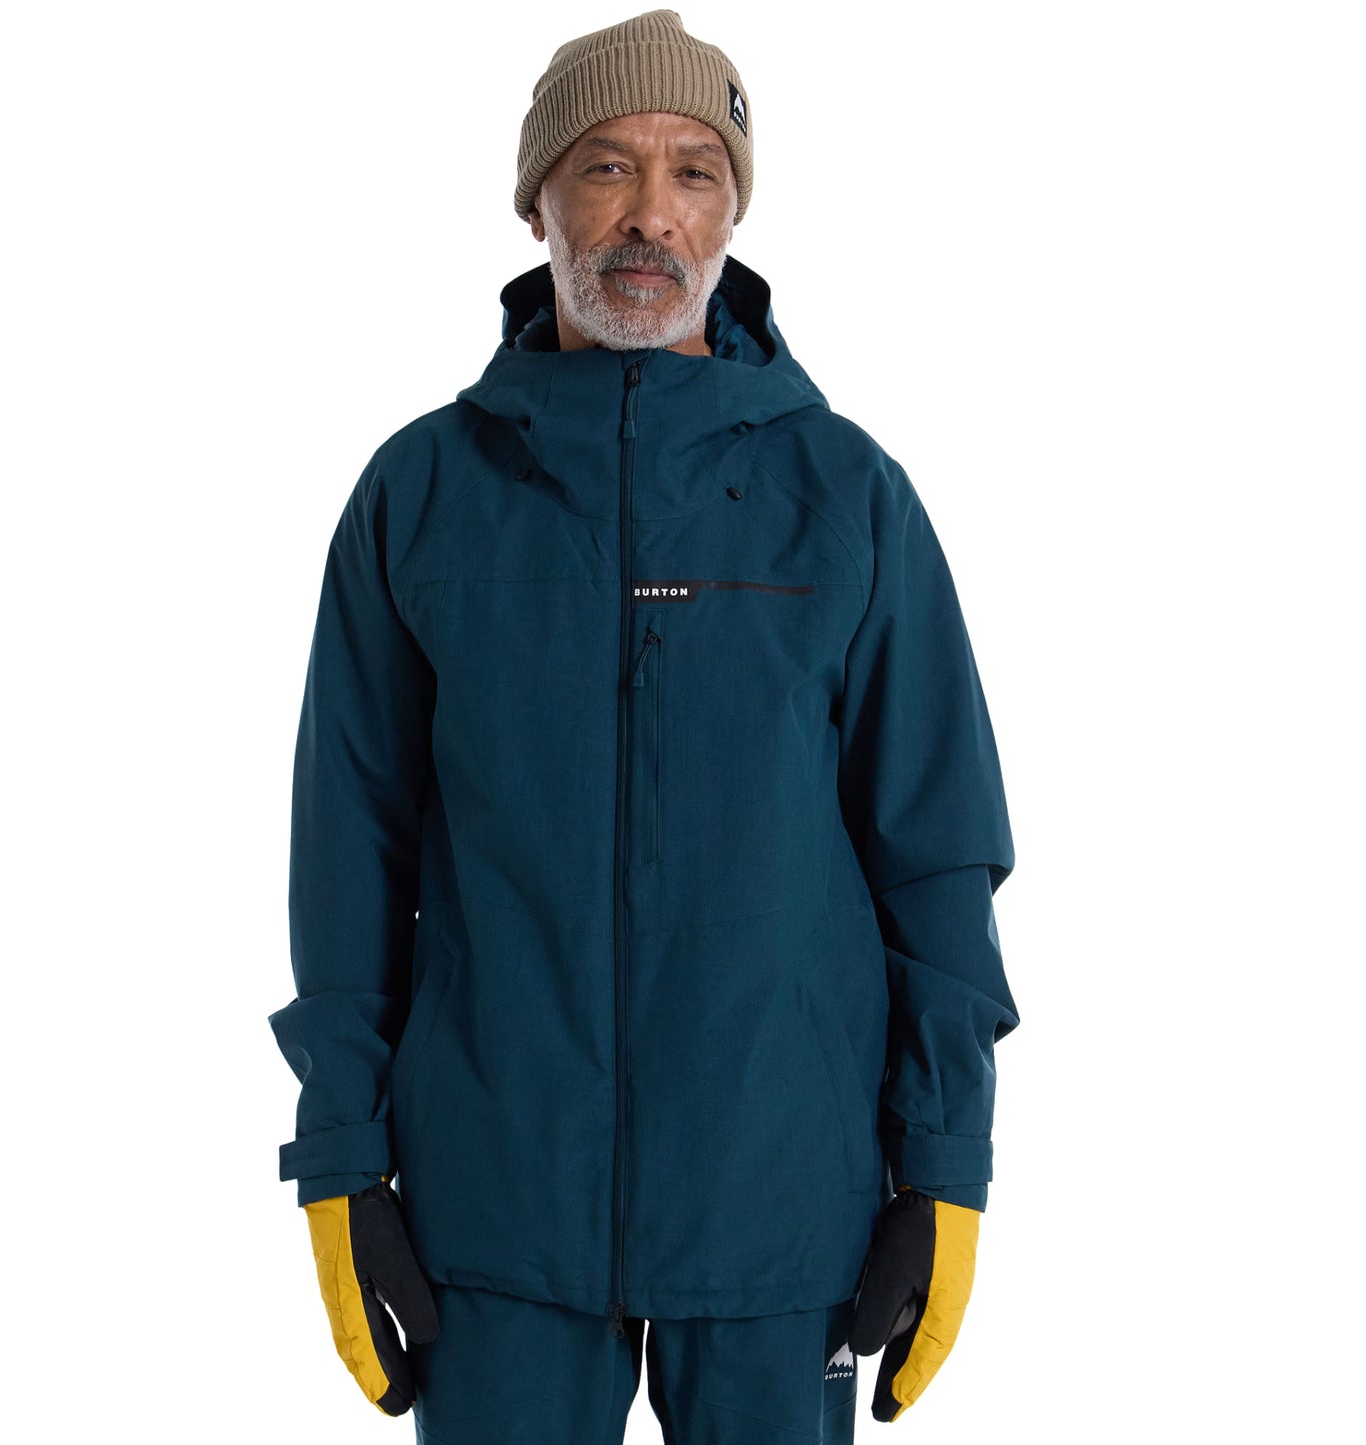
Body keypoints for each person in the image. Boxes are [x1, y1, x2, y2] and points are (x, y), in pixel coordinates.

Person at [267, 10, 1020, 1441]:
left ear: (733, 211)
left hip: (782, 1205)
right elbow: (347, 855)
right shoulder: (419, 496)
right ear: (537, 201)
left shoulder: (847, 497)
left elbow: (935, 853)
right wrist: (341, 1158)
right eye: (605, 167)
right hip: (493, 1207)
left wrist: (945, 1163)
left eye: (694, 173)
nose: (650, 215)